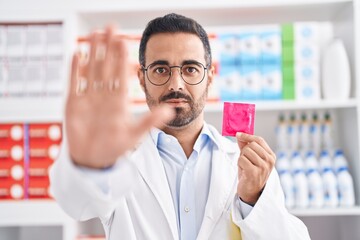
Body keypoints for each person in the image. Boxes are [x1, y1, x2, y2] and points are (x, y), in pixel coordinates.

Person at [50, 13, 311, 240]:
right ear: (142, 79)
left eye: (190, 69)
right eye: (161, 69)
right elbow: (76, 203)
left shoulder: (245, 164)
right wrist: (86, 165)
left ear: (209, 77)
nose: (176, 83)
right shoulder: (119, 162)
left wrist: (253, 200)